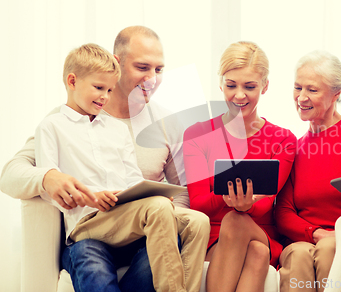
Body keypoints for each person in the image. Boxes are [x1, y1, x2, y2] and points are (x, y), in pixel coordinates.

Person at [0, 26, 210, 292]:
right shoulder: (59, 122)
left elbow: (182, 192)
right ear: (117, 62)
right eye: (143, 67)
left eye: (159, 70)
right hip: (92, 229)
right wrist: (48, 177)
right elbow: (10, 174)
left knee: (194, 220)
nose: (153, 79)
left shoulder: (163, 123)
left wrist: (162, 206)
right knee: (100, 250)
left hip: (142, 226)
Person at [35, 42, 188, 292]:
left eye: (109, 89)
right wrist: (91, 197)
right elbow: (49, 189)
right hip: (87, 227)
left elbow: (132, 178)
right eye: (98, 88)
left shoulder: (116, 130)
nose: (105, 96)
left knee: (170, 232)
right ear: (72, 81)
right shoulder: (51, 126)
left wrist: (149, 196)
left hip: (126, 227)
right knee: (89, 258)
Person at [183, 41, 297, 292]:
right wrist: (231, 200)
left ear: (265, 86)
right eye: (231, 85)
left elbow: (268, 201)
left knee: (238, 221)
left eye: (250, 86)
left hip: (260, 231)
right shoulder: (197, 134)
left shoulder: (283, 139)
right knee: (254, 249)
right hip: (213, 237)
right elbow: (199, 203)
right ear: (220, 83)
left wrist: (246, 205)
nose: (239, 95)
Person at [274, 50, 341, 292]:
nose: (301, 97)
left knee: (328, 250)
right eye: (297, 88)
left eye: (312, 90)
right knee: (298, 255)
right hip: (306, 238)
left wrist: (332, 236)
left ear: (336, 93)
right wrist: (315, 233)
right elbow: (283, 210)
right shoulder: (295, 146)